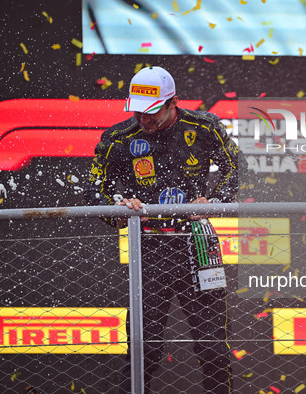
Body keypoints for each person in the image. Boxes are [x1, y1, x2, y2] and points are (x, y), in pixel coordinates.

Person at [84, 66, 243, 393]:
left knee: (212, 347)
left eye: (152, 111)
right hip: (149, 249)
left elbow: (234, 166)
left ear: (173, 102)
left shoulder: (203, 126)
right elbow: (93, 190)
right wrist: (117, 208)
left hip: (197, 245)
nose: (145, 119)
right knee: (143, 348)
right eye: (138, 111)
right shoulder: (117, 138)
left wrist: (213, 200)